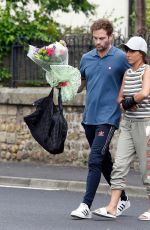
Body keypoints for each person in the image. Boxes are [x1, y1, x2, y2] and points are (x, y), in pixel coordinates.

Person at [70, 18, 131, 219]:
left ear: (110, 37)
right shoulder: (86, 58)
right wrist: (63, 84)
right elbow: (80, 84)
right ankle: (123, 199)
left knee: (95, 159)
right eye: (95, 38)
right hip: (89, 118)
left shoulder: (121, 58)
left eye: (102, 38)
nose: (98, 42)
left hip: (109, 118)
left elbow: (135, 78)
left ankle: (85, 205)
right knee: (104, 161)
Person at [92, 36, 150, 220]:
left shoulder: (147, 70)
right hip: (128, 124)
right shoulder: (127, 73)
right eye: (127, 51)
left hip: (146, 125)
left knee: (146, 170)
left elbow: (145, 92)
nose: (128, 54)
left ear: (141, 53)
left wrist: (130, 100)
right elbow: (119, 98)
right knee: (119, 166)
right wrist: (125, 103)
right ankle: (112, 208)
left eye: (132, 51)